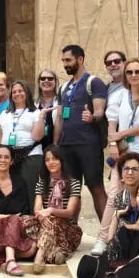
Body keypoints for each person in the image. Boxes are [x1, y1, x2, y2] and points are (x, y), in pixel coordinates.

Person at [54, 45, 108, 219]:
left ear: (80, 59)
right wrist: (55, 145)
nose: (65, 64)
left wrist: (92, 117)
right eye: (63, 61)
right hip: (66, 146)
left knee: (96, 187)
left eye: (68, 60)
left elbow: (100, 111)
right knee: (72, 191)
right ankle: (72, 232)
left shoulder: (94, 82)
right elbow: (60, 118)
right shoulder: (63, 87)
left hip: (89, 145)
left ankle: (109, 232)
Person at [0, 145, 35, 276]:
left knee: (32, 249)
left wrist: (13, 220)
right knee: (13, 219)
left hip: (17, 230)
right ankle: (10, 261)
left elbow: (25, 213)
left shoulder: (20, 182)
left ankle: (1, 252)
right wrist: (7, 218)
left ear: (11, 161)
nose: (3, 160)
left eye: (6, 157)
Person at [25, 145, 83, 273]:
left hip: (67, 228)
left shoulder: (74, 183)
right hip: (46, 222)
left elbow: (69, 213)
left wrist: (51, 210)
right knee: (24, 220)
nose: (51, 162)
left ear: (62, 160)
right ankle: (55, 253)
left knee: (53, 221)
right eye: (47, 160)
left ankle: (40, 256)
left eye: (55, 158)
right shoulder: (42, 182)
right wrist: (41, 216)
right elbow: (37, 208)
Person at [0, 80, 47, 201]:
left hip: (30, 156)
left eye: (20, 91)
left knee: (30, 192)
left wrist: (41, 117)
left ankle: (32, 214)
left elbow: (37, 137)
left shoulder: (35, 112)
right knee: (11, 192)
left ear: (27, 92)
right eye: (14, 92)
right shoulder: (4, 114)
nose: (17, 94)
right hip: (8, 158)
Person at [36, 69, 60, 149]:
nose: (46, 80)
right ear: (39, 82)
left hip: (56, 147)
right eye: (43, 78)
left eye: (50, 78)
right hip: (36, 147)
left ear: (55, 82)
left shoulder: (61, 101)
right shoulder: (33, 103)